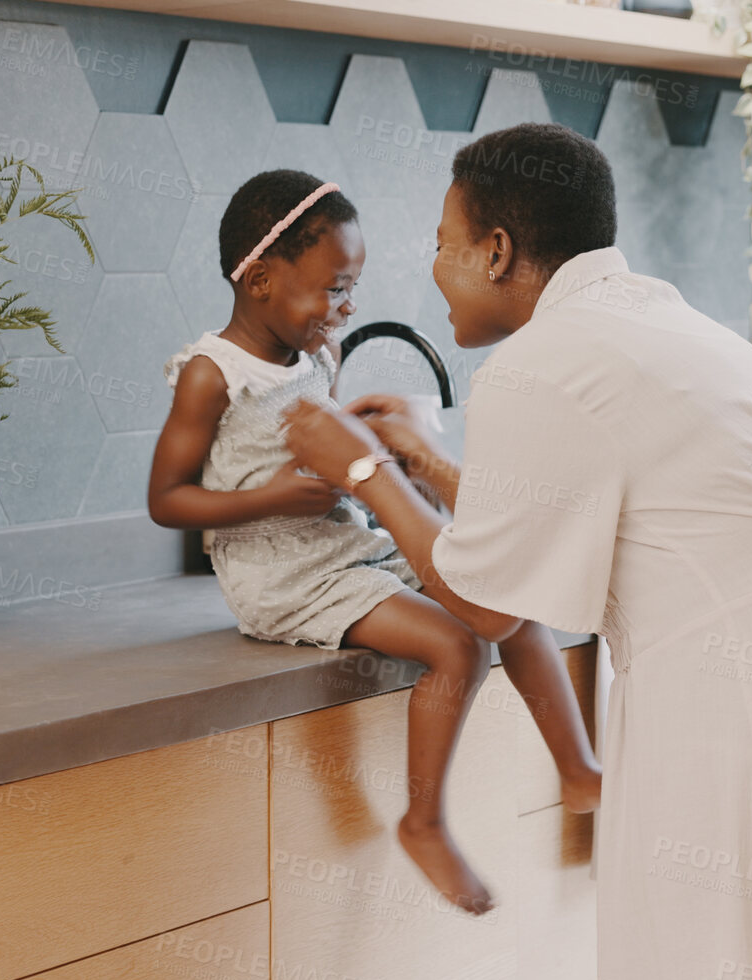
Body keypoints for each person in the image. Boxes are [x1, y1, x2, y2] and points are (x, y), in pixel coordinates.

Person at [281, 124, 752, 980]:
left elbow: (486, 604)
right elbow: (589, 511)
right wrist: (428, 464)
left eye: (441, 242)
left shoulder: (534, 365)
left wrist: (361, 471)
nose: (431, 266)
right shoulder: (659, 319)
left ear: (497, 250)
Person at [147, 169, 603, 915]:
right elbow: (166, 500)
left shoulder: (311, 357)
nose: (346, 305)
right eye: (333, 288)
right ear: (260, 279)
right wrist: (277, 495)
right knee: (459, 644)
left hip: (343, 548)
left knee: (504, 592)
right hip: (285, 578)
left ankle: (578, 767)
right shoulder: (210, 374)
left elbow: (322, 448)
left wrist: (361, 440)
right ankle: (423, 823)